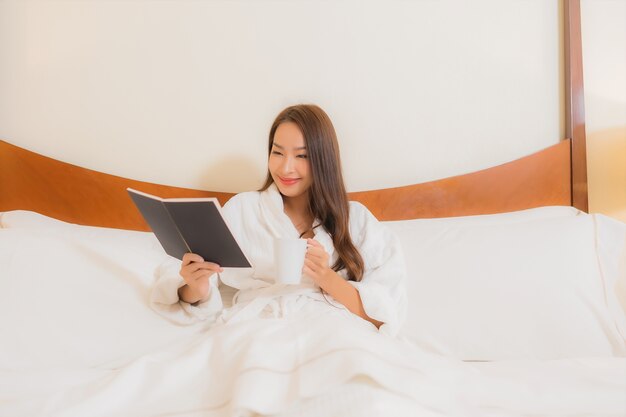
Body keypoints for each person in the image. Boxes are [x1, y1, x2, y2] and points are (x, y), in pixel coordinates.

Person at [151, 104, 407, 335]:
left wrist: (326, 277)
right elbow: (192, 293)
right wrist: (196, 285)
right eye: (277, 152)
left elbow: (384, 314)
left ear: (323, 159)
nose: (285, 168)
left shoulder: (356, 220)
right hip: (257, 330)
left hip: (331, 332)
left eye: (301, 156)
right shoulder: (243, 210)